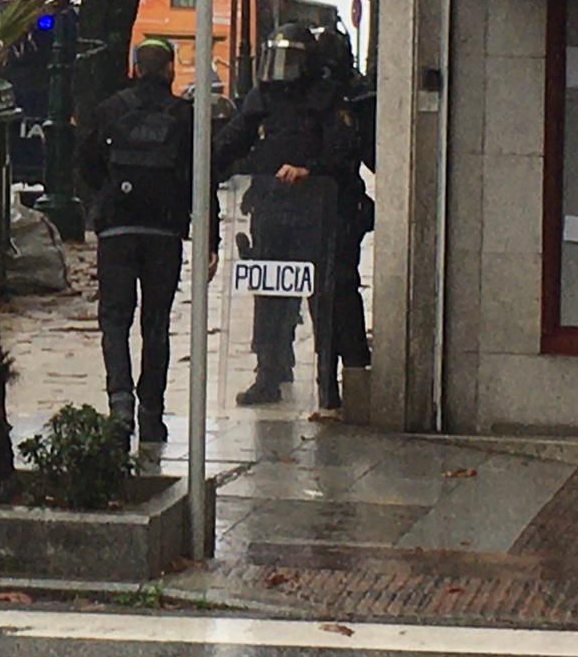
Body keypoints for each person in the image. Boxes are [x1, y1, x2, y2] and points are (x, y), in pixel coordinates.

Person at [214, 22, 373, 408]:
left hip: (324, 213)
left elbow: (345, 150)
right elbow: (234, 137)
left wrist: (311, 170)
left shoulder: (329, 96)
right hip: (273, 207)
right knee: (270, 291)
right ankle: (269, 371)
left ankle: (337, 379)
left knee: (332, 294)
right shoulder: (265, 95)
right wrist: (212, 162)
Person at [80, 37, 216, 452]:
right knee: (156, 324)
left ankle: (119, 404)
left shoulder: (109, 110)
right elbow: (202, 179)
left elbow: (85, 165)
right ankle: (151, 413)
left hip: (117, 231)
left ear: (137, 68)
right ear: (171, 70)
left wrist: (104, 204)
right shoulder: (185, 116)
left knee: (115, 321)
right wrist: (210, 238)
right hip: (165, 232)